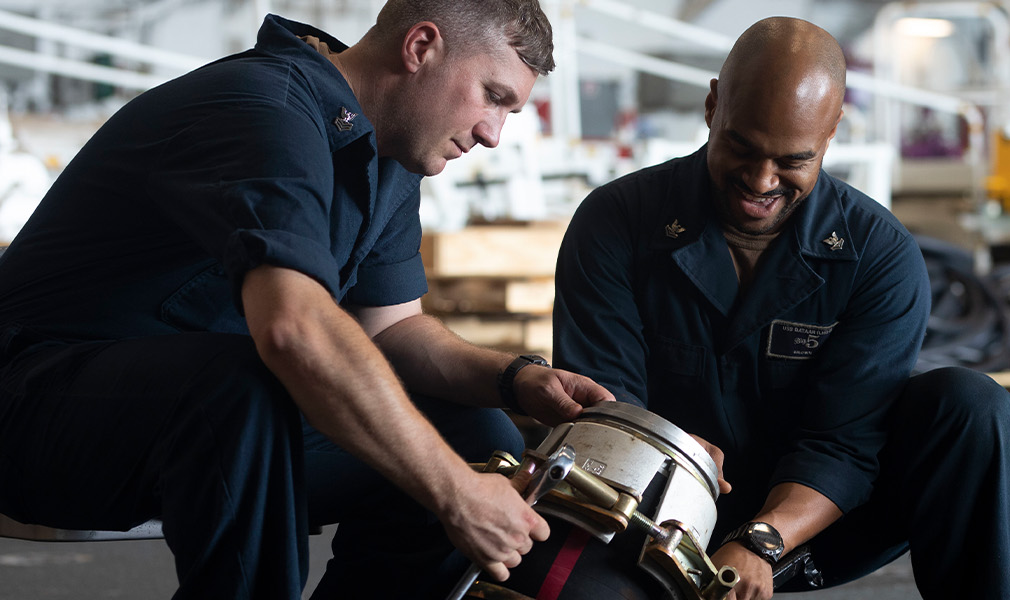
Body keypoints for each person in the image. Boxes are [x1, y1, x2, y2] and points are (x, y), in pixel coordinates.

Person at [0, 1, 614, 598]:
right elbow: (293, 329)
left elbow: (391, 330)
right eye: (492, 96)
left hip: (205, 424)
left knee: (477, 437)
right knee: (247, 386)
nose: (493, 134)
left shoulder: (389, 156)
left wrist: (517, 380)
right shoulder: (264, 107)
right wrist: (454, 492)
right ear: (421, 47)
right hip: (35, 410)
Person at [551, 16, 1010, 600]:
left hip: (820, 524)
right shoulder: (616, 222)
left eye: (791, 160)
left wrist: (763, 539)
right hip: (649, 514)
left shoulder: (878, 253)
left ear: (832, 131)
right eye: (742, 147)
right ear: (712, 106)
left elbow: (845, 443)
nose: (760, 181)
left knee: (972, 406)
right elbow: (605, 413)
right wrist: (677, 488)